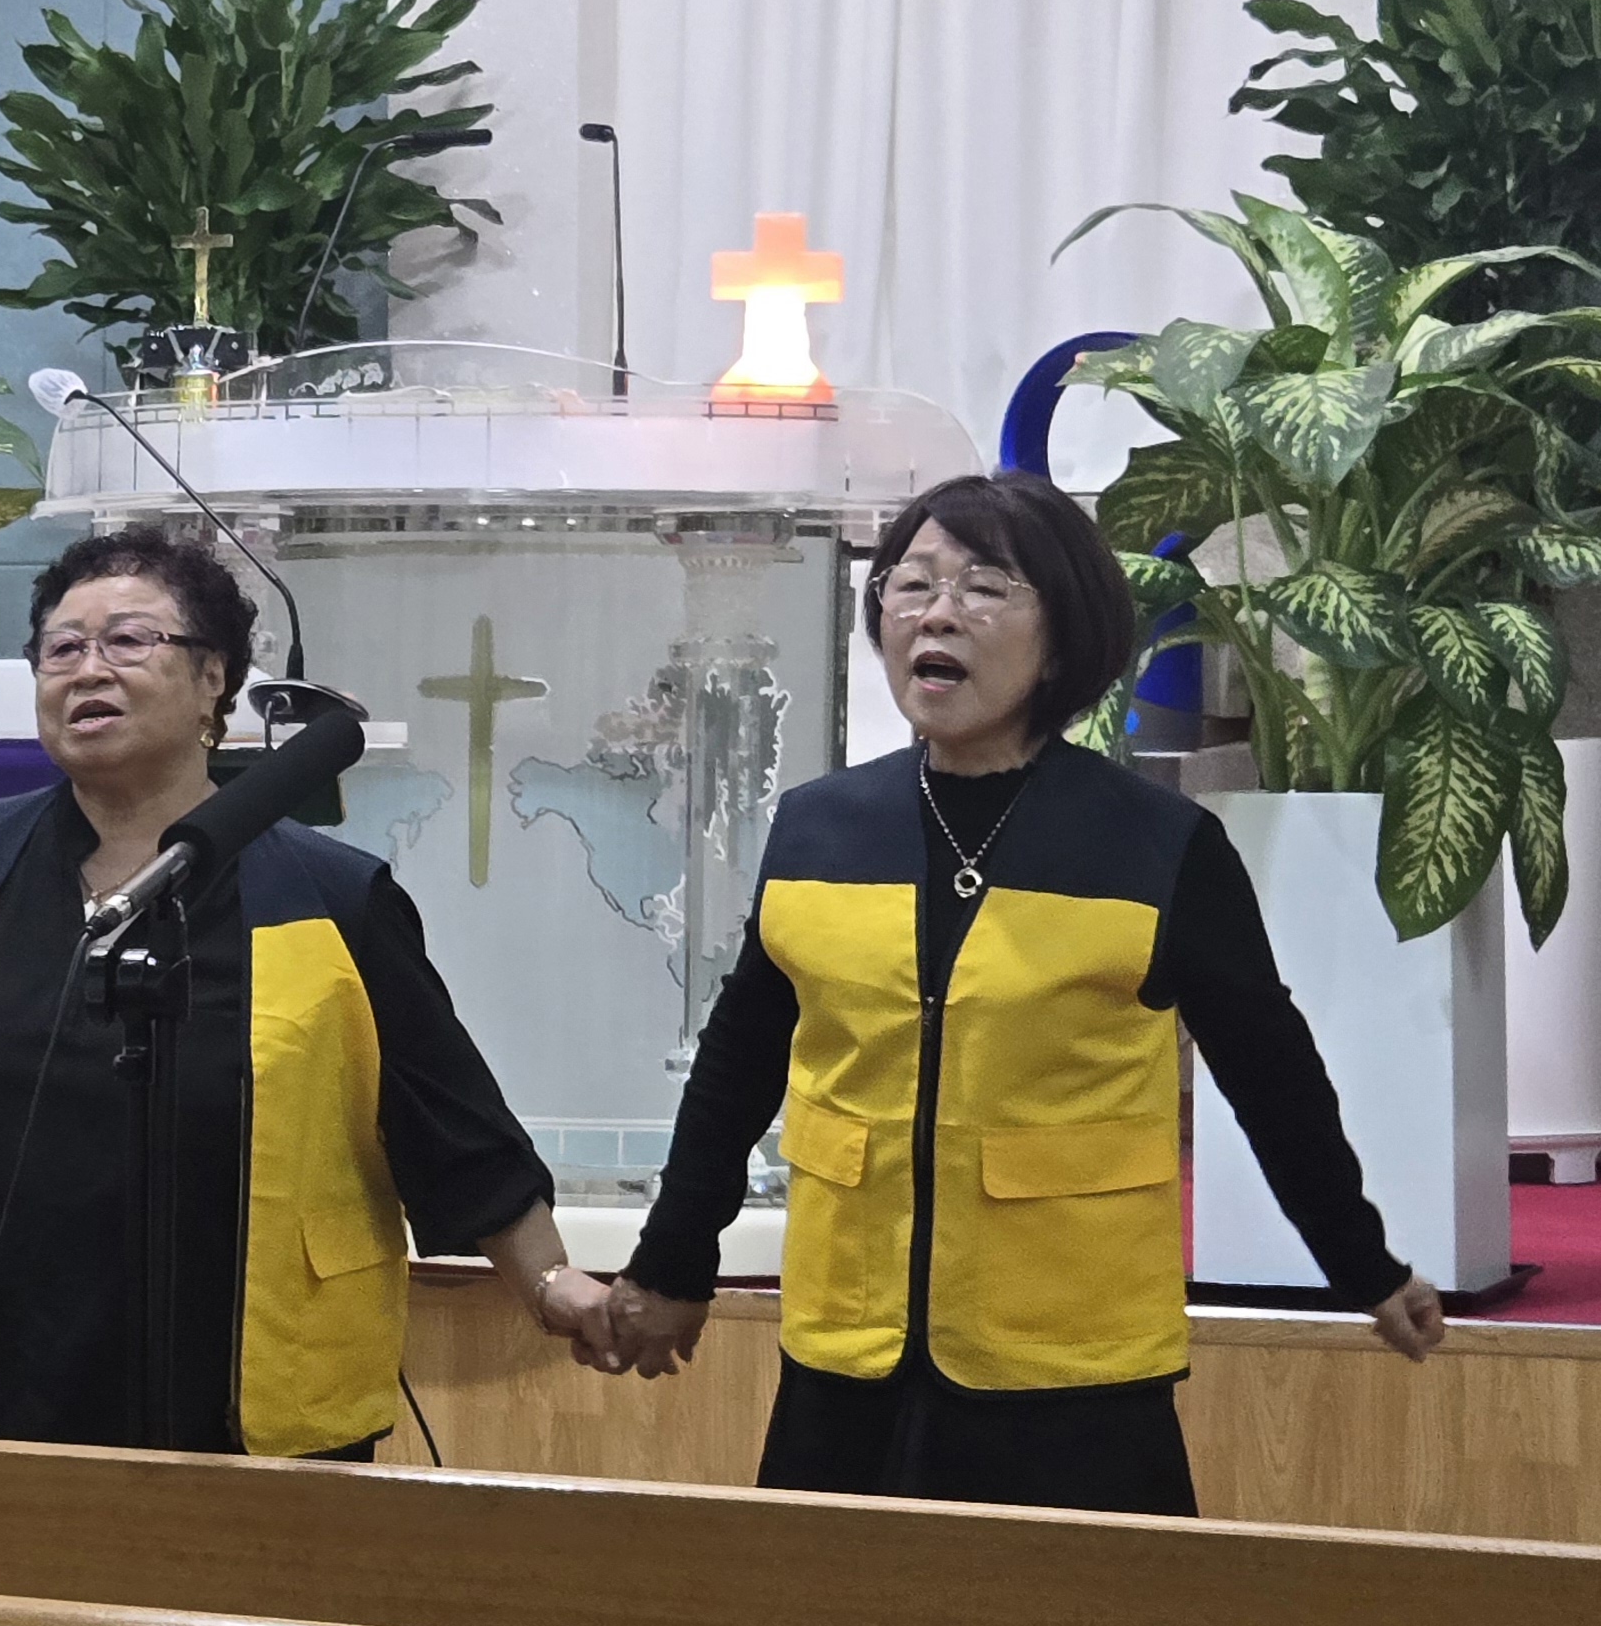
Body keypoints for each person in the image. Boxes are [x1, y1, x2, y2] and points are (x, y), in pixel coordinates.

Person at [0, 530, 614, 1459]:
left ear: (213, 681)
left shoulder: (328, 896)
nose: (86, 668)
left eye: (128, 640)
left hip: (242, 1398)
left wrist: (549, 1282)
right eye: (61, 648)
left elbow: (454, 1121)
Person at [604, 471, 1449, 1513]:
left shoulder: (1157, 845)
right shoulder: (821, 827)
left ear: (1062, 637)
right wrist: (673, 1260)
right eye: (912, 584)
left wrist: (1364, 1266)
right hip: (848, 1350)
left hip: (1071, 1368)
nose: (937, 612)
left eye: (982, 587)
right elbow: (739, 1061)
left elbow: (1271, 1079)